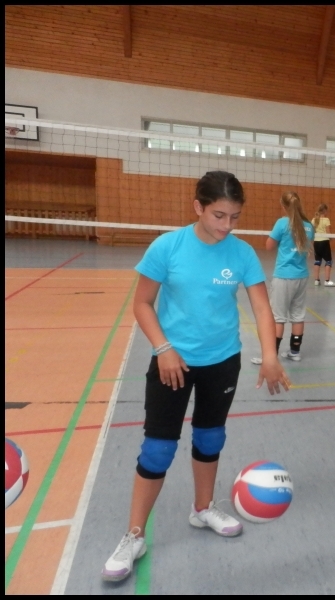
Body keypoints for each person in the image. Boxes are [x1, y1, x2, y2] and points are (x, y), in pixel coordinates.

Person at [102, 171, 291, 582]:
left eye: (235, 217)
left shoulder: (241, 253)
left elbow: (261, 307)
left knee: (210, 437)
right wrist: (163, 348)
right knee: (158, 449)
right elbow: (142, 304)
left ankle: (203, 509)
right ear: (198, 207)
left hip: (222, 361)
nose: (227, 226)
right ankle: (134, 535)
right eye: (219, 215)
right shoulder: (167, 247)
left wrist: (270, 355)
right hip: (172, 363)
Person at [252, 191, 315, 363]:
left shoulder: (282, 223)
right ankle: (295, 352)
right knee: (298, 315)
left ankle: (271, 356)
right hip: (302, 276)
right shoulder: (309, 226)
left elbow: (268, 246)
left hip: (284, 276)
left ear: (283, 206)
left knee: (278, 317)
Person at [311, 203, 335, 287]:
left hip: (316, 242)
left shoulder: (314, 220)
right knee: (329, 261)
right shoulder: (326, 220)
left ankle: (316, 280)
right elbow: (328, 232)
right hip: (324, 242)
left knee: (317, 261)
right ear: (325, 211)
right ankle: (327, 281)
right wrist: (331, 238)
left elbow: (312, 232)